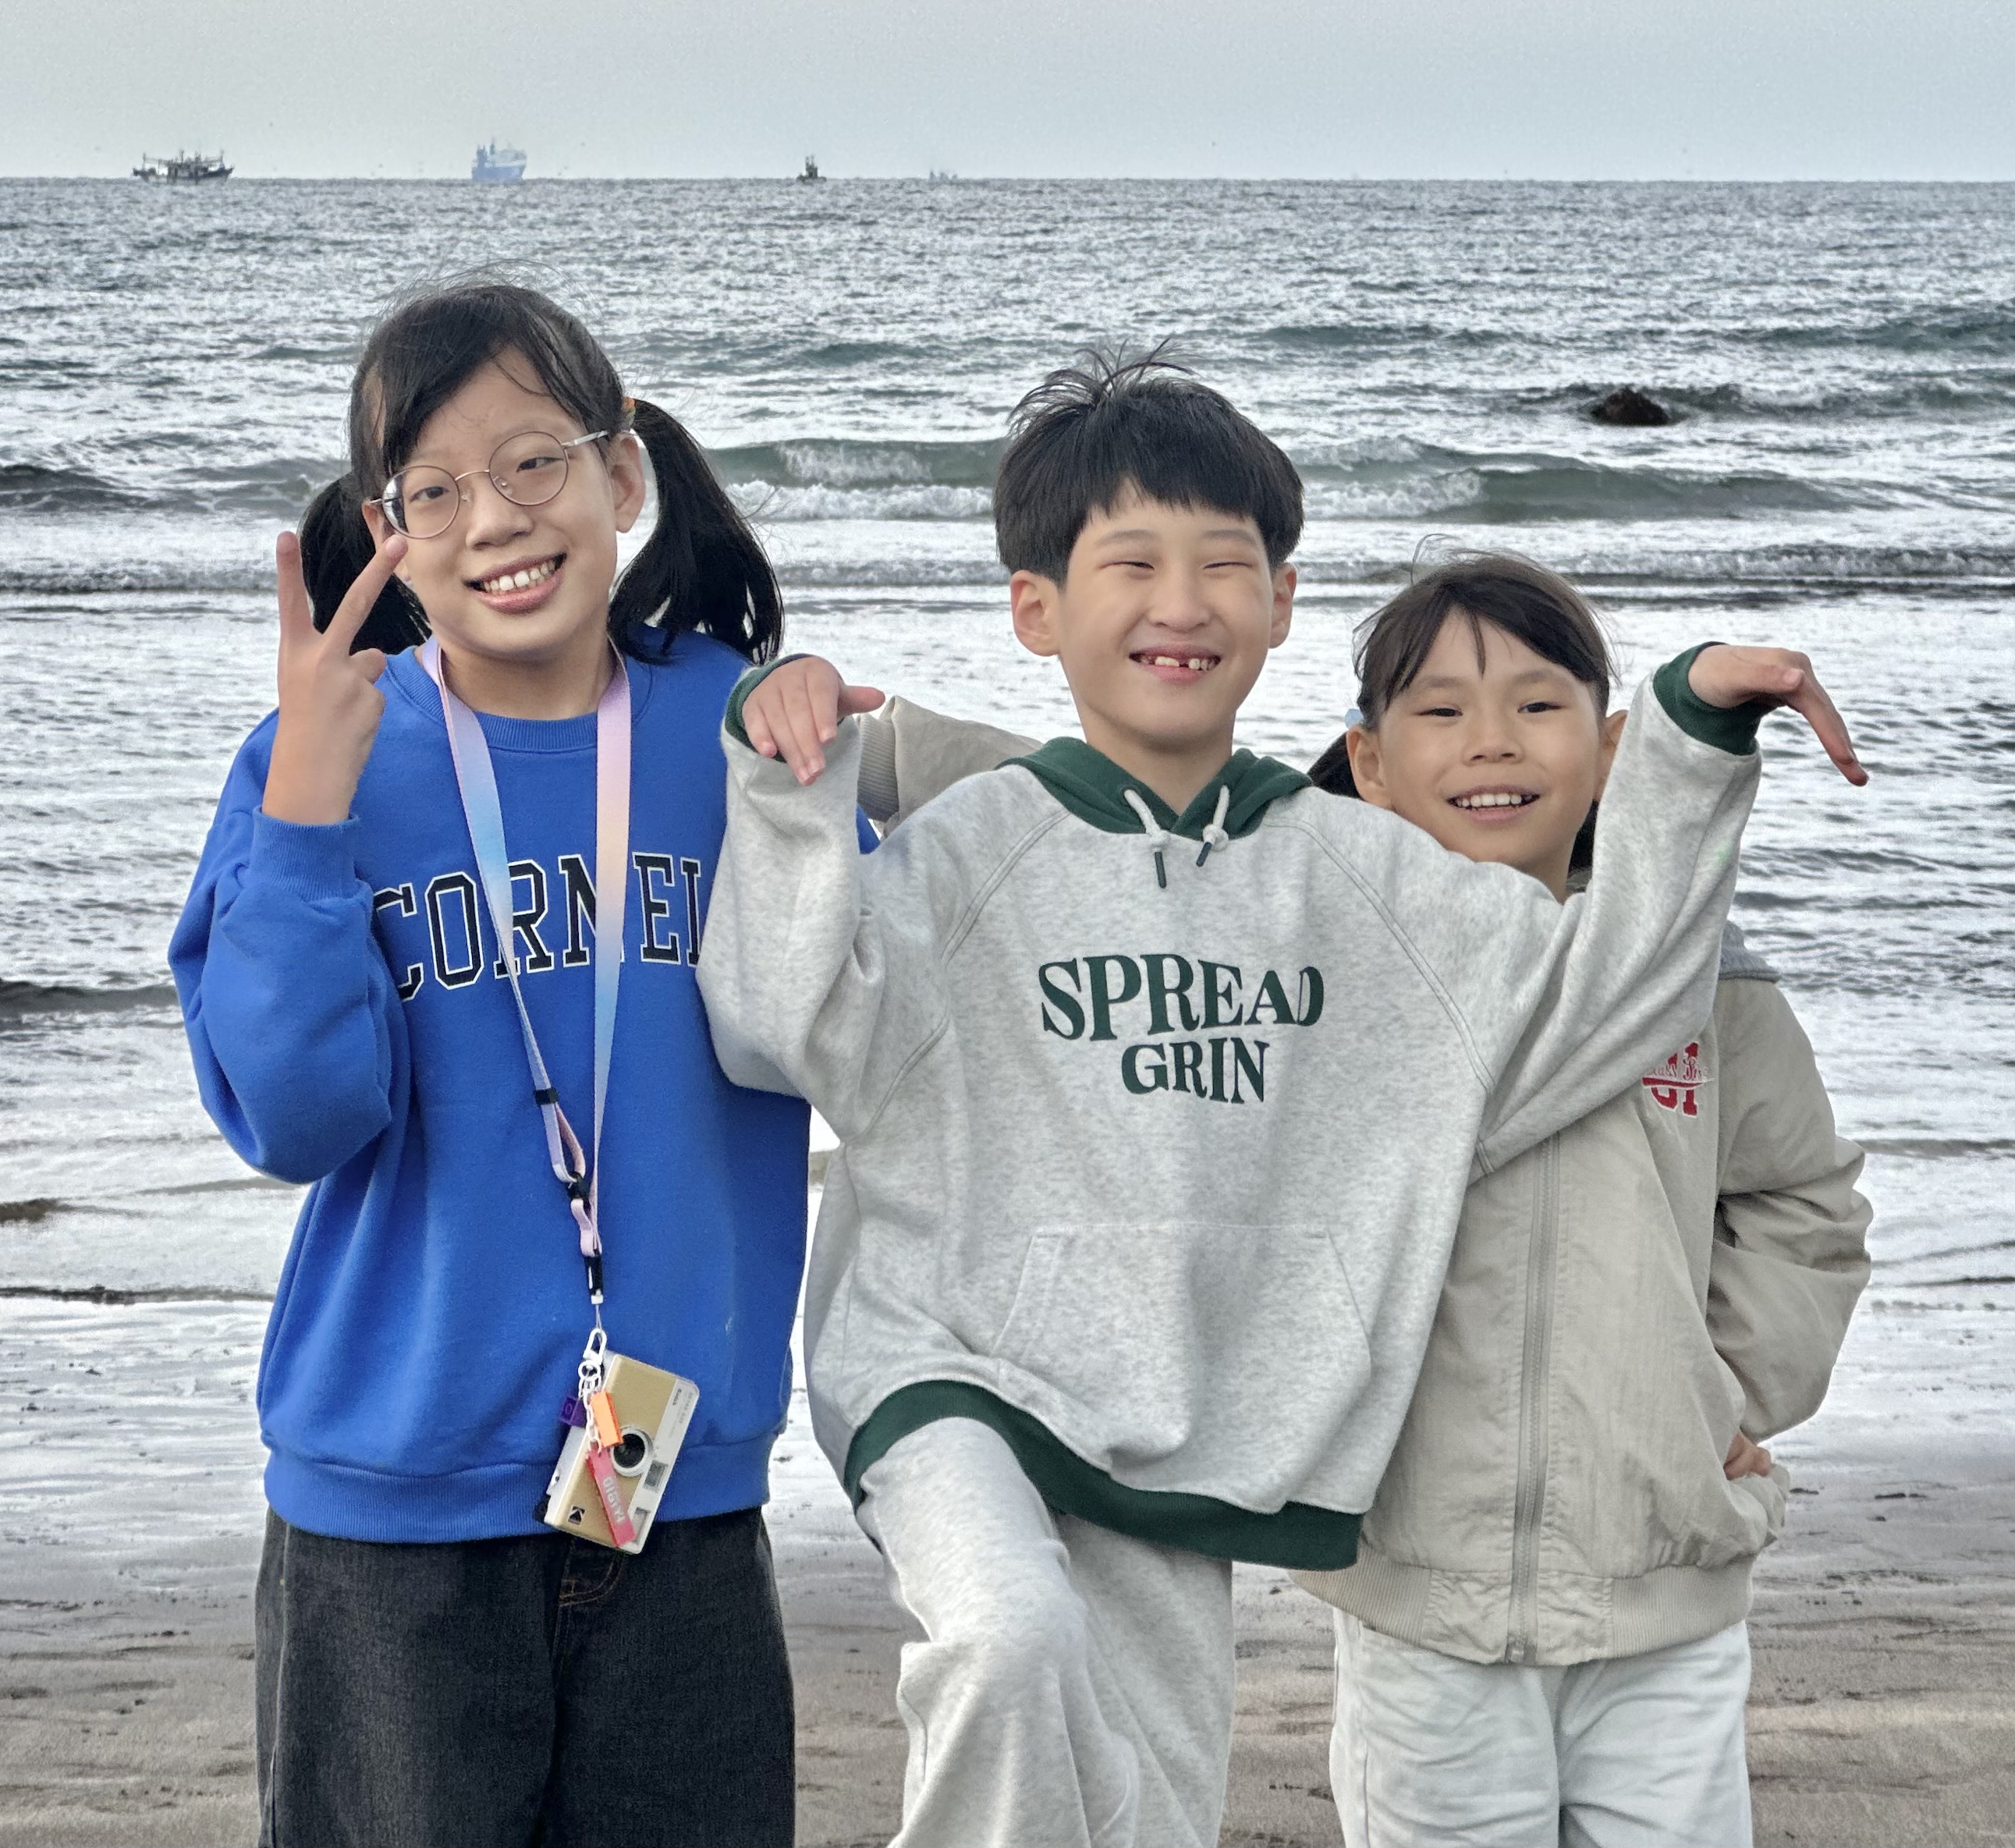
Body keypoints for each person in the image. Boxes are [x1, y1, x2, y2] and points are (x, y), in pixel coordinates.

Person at [704, 348, 1868, 1848]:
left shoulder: (1362, 881)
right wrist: (794, 771)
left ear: (1283, 600)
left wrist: (1692, 739)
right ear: (1036, 608)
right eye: (1133, 562)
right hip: (950, 1362)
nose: (1182, 600)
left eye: (1222, 563)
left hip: (1185, 1402)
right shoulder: (978, 843)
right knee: (1008, 1639)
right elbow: (779, 1024)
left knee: (1156, 1810)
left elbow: (1610, 992)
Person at [169, 277, 804, 1847]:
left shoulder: (732, 737)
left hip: (674, 1486)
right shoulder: (317, 761)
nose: (495, 519)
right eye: (433, 490)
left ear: (623, 472)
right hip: (396, 1506)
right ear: (381, 530)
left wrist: (820, 750)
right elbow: (296, 1115)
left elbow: (859, 1027)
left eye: (532, 462)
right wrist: (304, 816)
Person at [1291, 554, 1872, 1848]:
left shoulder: (1708, 982)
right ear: (1370, 763)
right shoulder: (1326, 984)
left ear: (1613, 751)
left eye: (1538, 703)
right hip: (1424, 1592)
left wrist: (1724, 1390)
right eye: (1442, 709)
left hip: (1664, 1585)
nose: (1492, 740)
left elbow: (1804, 1203)